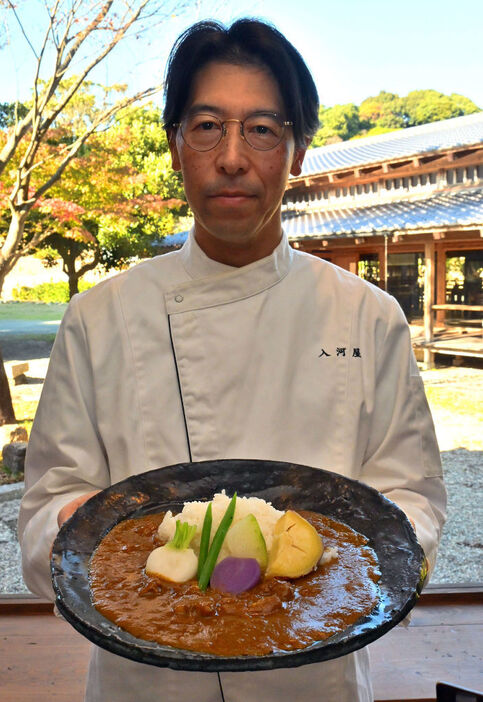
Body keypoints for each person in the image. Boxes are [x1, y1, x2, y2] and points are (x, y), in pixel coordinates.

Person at [19, 18, 446, 702]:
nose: (231, 157)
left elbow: (410, 495)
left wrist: (355, 566)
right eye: (207, 125)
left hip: (314, 672)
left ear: (298, 150)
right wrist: (71, 528)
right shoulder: (98, 318)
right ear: (175, 145)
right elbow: (47, 506)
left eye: (262, 129)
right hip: (143, 681)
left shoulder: (366, 315)